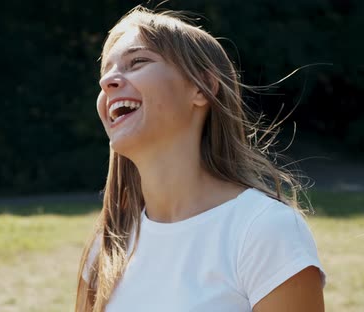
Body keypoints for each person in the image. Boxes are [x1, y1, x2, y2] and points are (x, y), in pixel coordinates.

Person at [75, 6, 326, 312]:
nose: (108, 81)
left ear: (201, 88)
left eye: (137, 62)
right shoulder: (108, 246)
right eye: (106, 72)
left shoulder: (265, 230)